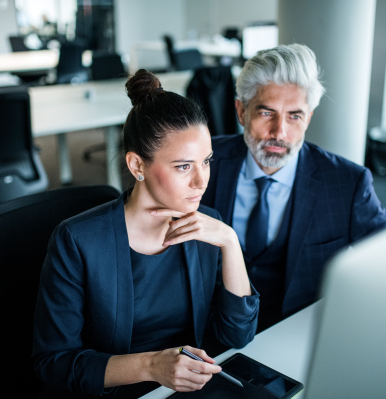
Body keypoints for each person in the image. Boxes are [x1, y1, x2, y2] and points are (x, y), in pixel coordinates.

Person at [32, 69, 259, 398]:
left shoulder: (208, 227)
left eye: (206, 162)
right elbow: (53, 362)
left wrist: (230, 242)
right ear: (137, 166)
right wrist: (152, 366)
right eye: (183, 166)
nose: (201, 181)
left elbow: (238, 336)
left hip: (188, 389)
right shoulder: (77, 241)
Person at [201, 44, 386, 332]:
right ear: (241, 111)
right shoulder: (204, 161)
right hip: (210, 324)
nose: (280, 132)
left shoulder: (347, 183)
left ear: (309, 118)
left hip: (296, 331)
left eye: (294, 116)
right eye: (266, 113)